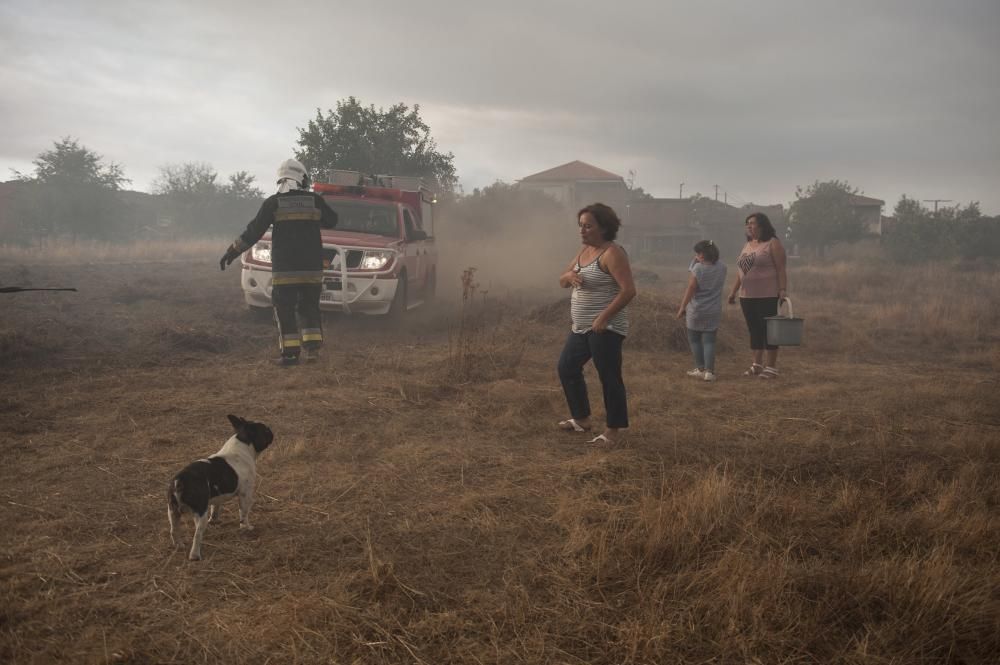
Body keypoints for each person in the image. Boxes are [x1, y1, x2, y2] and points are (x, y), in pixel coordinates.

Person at [220, 159, 338, 366]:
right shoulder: (314, 201)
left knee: (284, 308)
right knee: (310, 307)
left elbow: (253, 232)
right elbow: (332, 221)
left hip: (286, 269)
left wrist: (232, 251)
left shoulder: (272, 203)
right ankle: (312, 352)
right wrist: (318, 204)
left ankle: (290, 355)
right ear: (301, 178)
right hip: (312, 269)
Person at [557, 203, 637, 445]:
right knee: (566, 368)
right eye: (580, 225)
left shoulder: (612, 253)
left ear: (603, 227)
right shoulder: (583, 252)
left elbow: (628, 291)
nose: (582, 231)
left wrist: (603, 317)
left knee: (609, 376)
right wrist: (569, 276)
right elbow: (562, 280)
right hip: (581, 328)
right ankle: (581, 419)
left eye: (588, 226)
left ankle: (613, 431)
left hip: (606, 328)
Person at [727, 212, 788, 379]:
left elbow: (781, 268)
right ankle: (757, 365)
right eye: (747, 223)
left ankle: (771, 367)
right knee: (754, 330)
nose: (749, 226)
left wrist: (782, 289)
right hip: (747, 296)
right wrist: (733, 292)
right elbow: (741, 272)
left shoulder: (773, 243)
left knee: (769, 331)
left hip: (767, 294)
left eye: (752, 223)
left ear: (762, 225)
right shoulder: (747, 245)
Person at [676, 240, 727, 382]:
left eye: (698, 253)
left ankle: (700, 368)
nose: (696, 256)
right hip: (713, 310)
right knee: (710, 341)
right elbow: (707, 265)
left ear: (702, 255)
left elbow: (691, 288)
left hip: (696, 310)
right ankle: (710, 372)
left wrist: (682, 307)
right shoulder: (722, 267)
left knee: (695, 340)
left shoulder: (698, 269)